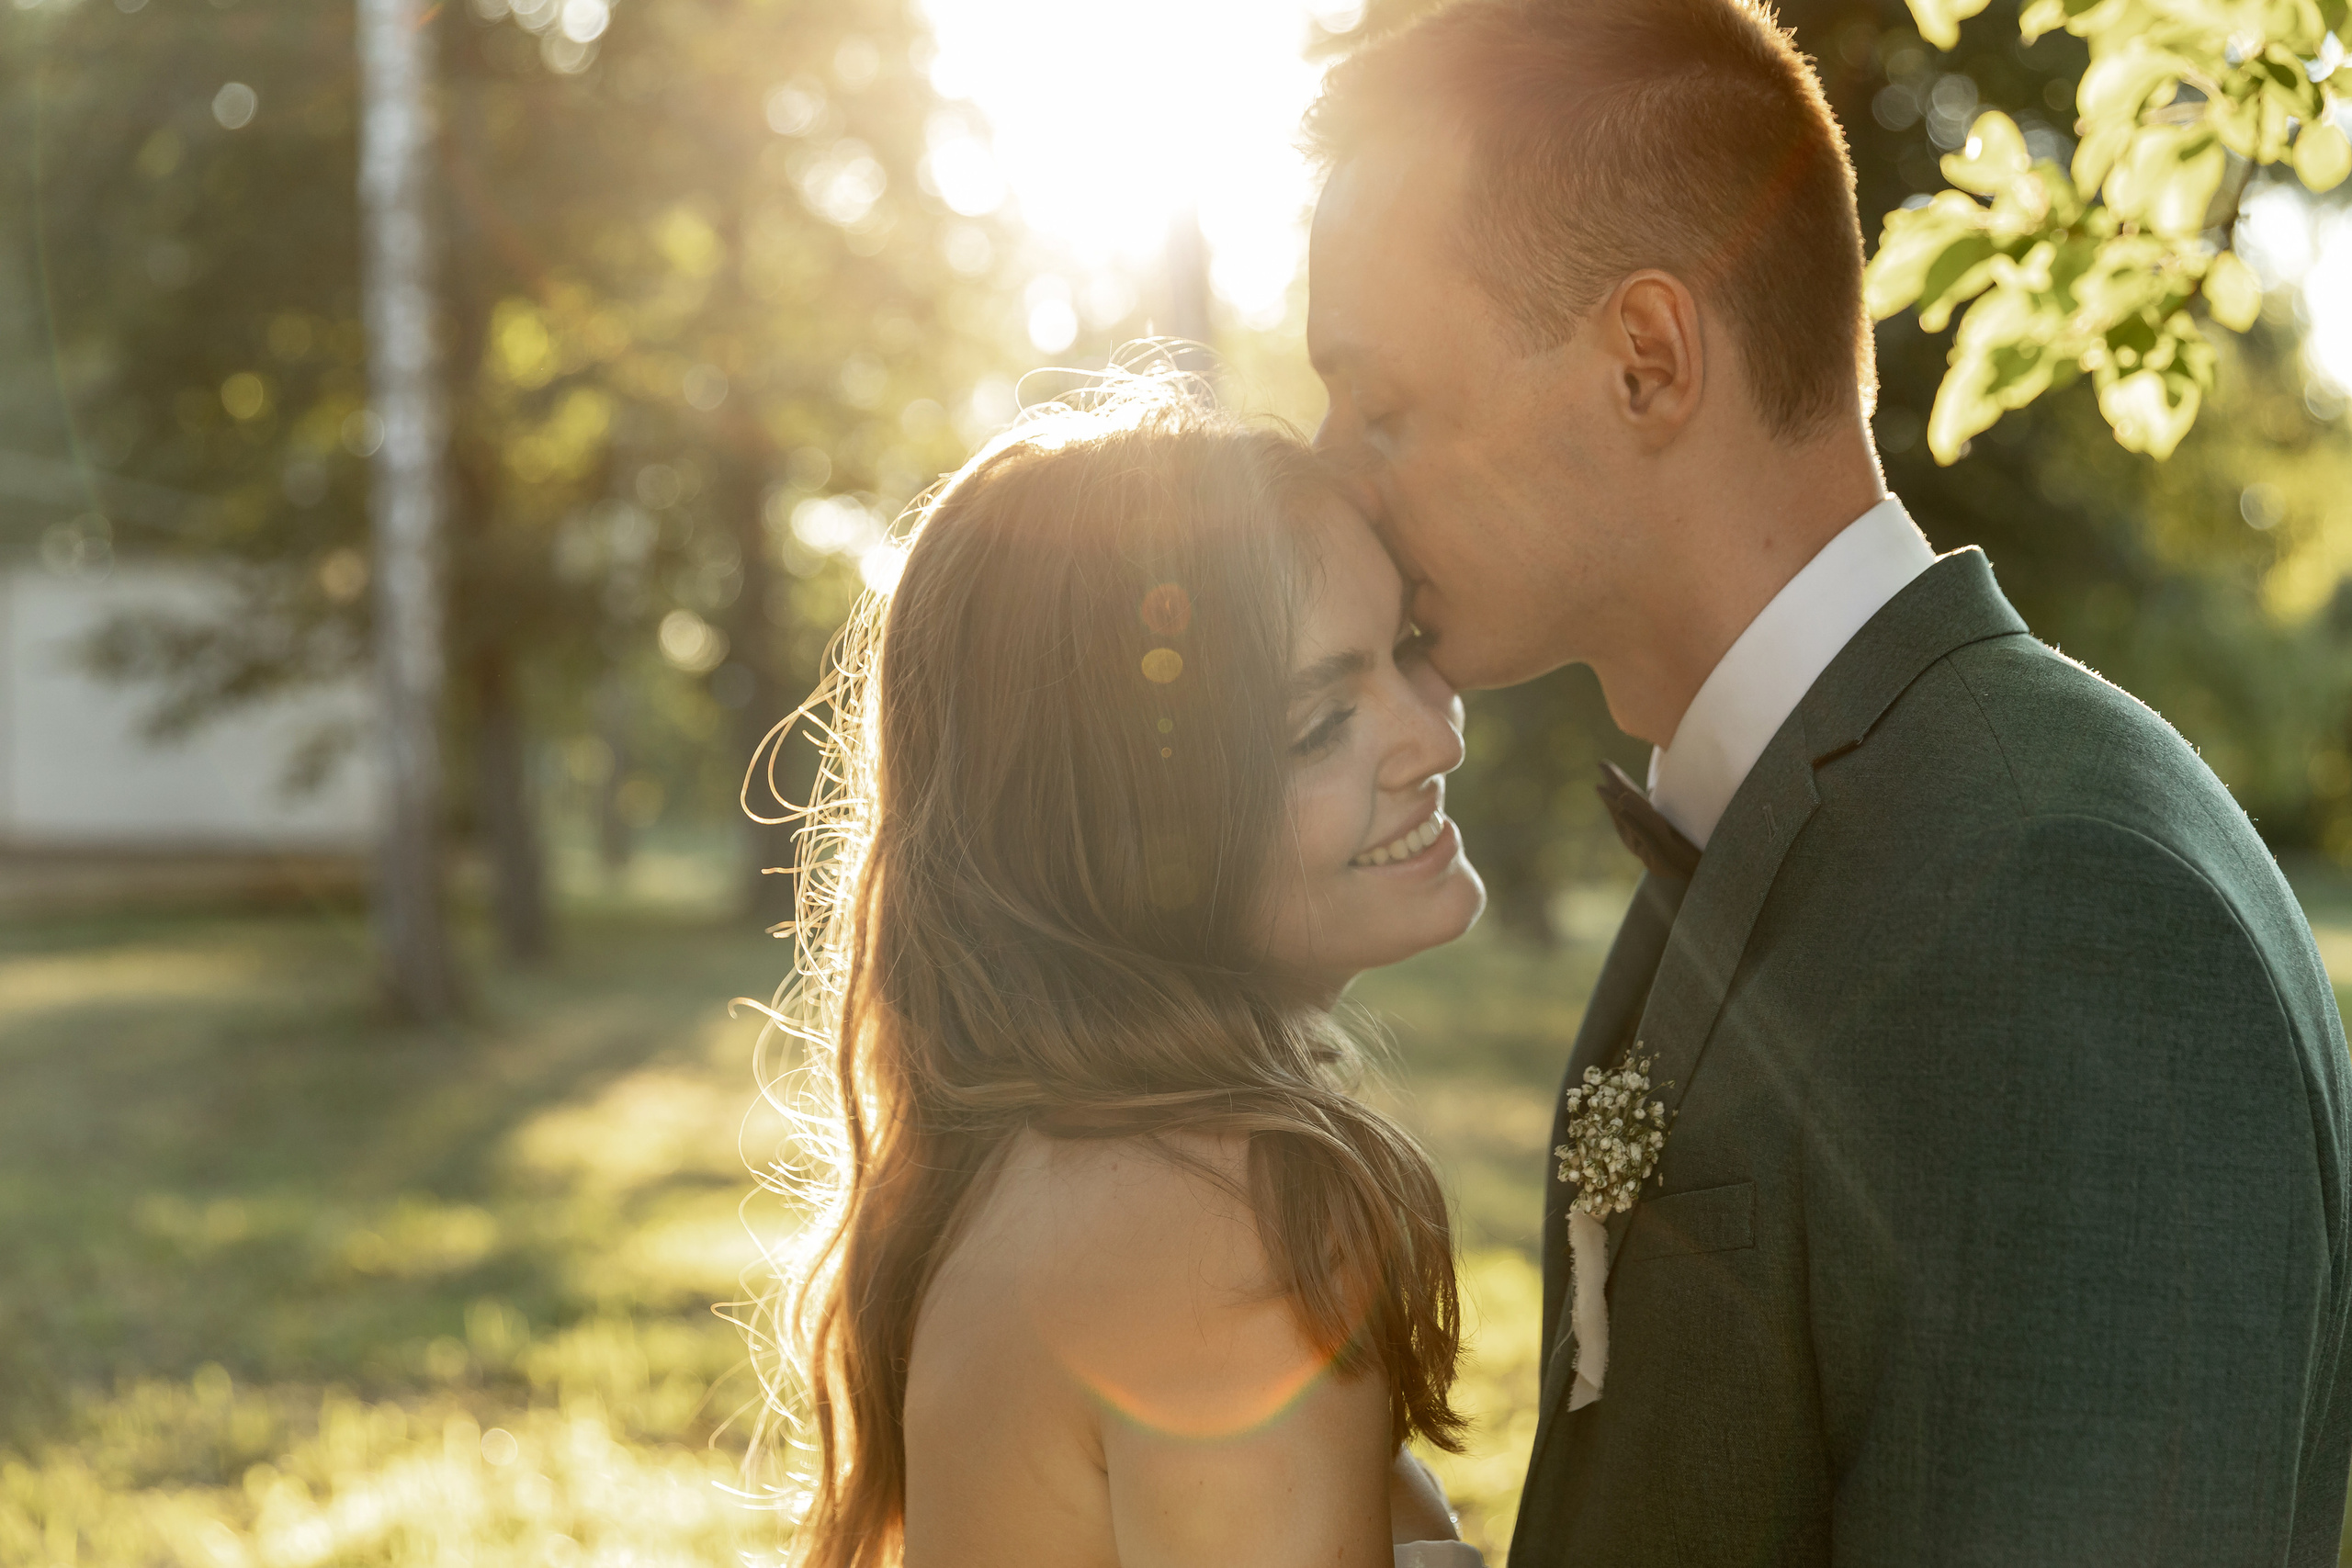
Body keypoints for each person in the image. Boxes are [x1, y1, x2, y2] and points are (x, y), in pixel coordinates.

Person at [1302, 2, 2352, 1564]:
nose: (1333, 475)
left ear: (1647, 361)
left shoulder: (2062, 907)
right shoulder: (1777, 817)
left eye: (1384, 407)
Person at [756, 377, 1491, 1568]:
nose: (1436, 736)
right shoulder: (1225, 1217)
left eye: (1405, 651)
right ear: (1125, 834)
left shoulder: (1033, 1170)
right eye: (1317, 724)